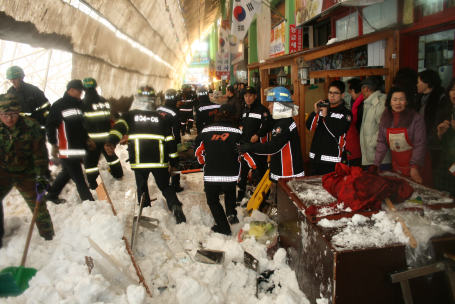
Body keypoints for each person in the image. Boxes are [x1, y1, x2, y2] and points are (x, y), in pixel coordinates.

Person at [104, 87, 186, 224]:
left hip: (139, 160)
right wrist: (174, 162)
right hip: (159, 161)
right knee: (165, 186)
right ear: (154, 101)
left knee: (141, 186)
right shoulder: (160, 119)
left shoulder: (129, 116)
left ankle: (146, 209)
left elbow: (118, 128)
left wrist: (111, 142)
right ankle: (175, 205)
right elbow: (170, 141)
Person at [0, 94, 54, 247]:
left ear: (19, 112)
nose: (9, 118)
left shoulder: (31, 126)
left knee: (39, 206)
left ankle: (48, 238)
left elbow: (39, 153)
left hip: (26, 172)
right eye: (4, 114)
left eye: (13, 114)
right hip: (2, 172)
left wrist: (41, 176)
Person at [195, 104, 256, 235]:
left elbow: (198, 152)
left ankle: (223, 227)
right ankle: (231, 213)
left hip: (211, 173)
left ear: (217, 114)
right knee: (229, 192)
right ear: (233, 116)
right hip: (231, 174)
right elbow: (246, 152)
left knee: (213, 200)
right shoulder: (237, 132)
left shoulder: (205, 131)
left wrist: (204, 163)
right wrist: (254, 167)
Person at [236, 87, 304, 201]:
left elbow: (273, 147)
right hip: (281, 167)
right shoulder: (280, 120)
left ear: (280, 104)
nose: (268, 107)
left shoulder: (284, 124)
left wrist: (250, 147)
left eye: (271, 103)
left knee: (287, 201)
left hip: (287, 170)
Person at [45, 80, 96, 203]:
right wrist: (53, 144)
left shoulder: (77, 106)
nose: (81, 94)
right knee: (79, 177)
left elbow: (80, 126)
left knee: (67, 173)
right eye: (79, 91)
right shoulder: (59, 105)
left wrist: (87, 139)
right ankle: (89, 202)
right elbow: (50, 125)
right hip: (66, 148)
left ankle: (52, 195)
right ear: (71, 90)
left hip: (76, 147)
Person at [373, 86, 433, 187]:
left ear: (407, 101)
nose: (398, 103)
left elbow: (420, 144)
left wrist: (414, 167)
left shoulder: (416, 118)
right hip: (398, 164)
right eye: (394, 99)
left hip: (417, 166)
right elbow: (381, 142)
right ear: (390, 102)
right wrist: (376, 164)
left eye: (402, 99)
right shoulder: (385, 117)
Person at [80, 77, 123, 190]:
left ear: (84, 89)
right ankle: (118, 173)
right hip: (107, 135)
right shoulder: (104, 101)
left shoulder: (83, 103)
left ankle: (94, 184)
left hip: (93, 139)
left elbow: (81, 122)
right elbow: (109, 117)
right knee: (111, 156)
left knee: (90, 162)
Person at [306, 80, 352, 175]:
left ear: (342, 95)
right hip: (316, 159)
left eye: (336, 93)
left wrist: (326, 116)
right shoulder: (323, 108)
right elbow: (310, 127)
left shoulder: (346, 113)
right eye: (330, 92)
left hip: (332, 161)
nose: (332, 95)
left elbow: (338, 130)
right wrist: (315, 112)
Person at [237, 86, 272, 202]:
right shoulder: (244, 109)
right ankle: (241, 193)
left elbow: (267, 126)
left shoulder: (262, 110)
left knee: (260, 171)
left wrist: (258, 135)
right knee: (243, 171)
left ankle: (262, 196)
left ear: (255, 96)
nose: (248, 98)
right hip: (245, 146)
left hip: (258, 148)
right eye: (246, 95)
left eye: (250, 95)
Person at [415, 69, 449, 168]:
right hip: (422, 144)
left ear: (427, 83)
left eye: (418, 81)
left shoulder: (441, 98)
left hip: (435, 146)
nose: (416, 84)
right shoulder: (421, 99)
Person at [429, 77, 455, 196]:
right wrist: (440, 133)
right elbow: (433, 141)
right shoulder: (445, 111)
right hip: (445, 165)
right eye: (453, 89)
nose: (454, 93)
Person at [359, 77, 391, 168]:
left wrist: (372, 144)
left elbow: (384, 127)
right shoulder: (369, 102)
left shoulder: (380, 103)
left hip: (380, 157)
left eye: (361, 89)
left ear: (366, 88)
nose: (361, 92)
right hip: (371, 156)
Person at [157, 89, 184, 192]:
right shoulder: (174, 112)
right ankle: (175, 185)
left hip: (158, 141)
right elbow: (175, 131)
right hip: (170, 141)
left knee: (163, 161)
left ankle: (164, 183)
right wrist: (177, 143)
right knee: (174, 162)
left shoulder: (158, 110)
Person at [345, 78, 364, 167]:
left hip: (356, 148)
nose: (350, 94)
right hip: (358, 145)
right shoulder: (357, 103)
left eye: (350, 92)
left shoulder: (362, 104)